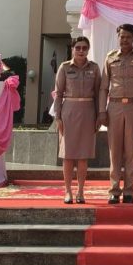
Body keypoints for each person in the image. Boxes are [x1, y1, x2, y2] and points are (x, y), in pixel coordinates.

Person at [98, 23, 133, 204]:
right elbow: (104, 87)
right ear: (118, 37)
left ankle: (129, 191)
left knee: (130, 150)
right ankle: (114, 190)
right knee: (115, 151)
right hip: (114, 107)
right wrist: (102, 111)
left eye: (128, 37)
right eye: (122, 36)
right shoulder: (110, 57)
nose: (124, 40)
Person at [54, 36, 100, 204]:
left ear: (88, 50)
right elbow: (58, 93)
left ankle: (80, 191)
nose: (81, 51)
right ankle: (67, 191)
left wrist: (99, 115)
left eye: (84, 48)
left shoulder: (94, 68)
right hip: (69, 112)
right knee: (68, 155)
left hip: (88, 112)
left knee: (83, 155)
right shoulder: (65, 67)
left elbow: (98, 94)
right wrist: (57, 117)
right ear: (72, 49)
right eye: (78, 48)